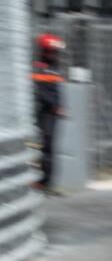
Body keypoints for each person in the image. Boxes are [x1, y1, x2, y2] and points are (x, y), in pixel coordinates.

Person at [31, 33, 67, 193]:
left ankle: (47, 182)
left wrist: (59, 106)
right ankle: (44, 182)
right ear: (45, 51)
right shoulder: (40, 67)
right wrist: (54, 106)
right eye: (53, 51)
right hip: (45, 113)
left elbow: (55, 90)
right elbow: (40, 91)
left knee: (50, 148)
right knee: (46, 147)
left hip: (52, 114)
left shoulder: (53, 68)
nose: (56, 55)